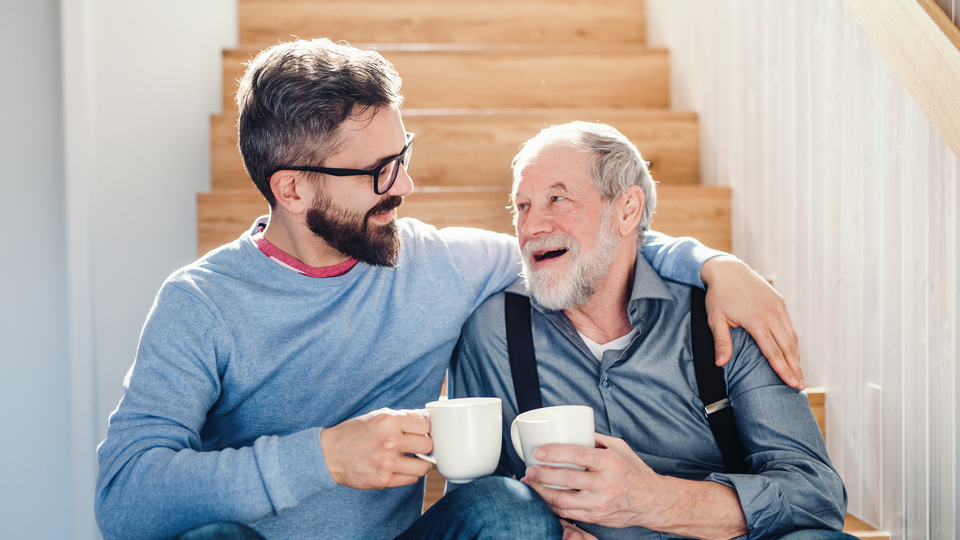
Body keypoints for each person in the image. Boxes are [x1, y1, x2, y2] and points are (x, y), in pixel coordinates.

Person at [95, 39, 804, 540]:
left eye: (402, 156)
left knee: (505, 507)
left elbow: (584, 245)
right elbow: (124, 497)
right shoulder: (202, 302)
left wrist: (712, 263)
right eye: (377, 172)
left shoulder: (437, 264)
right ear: (293, 188)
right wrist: (323, 458)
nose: (405, 186)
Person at [450, 122, 850, 540]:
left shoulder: (721, 316)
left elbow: (816, 497)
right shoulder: (495, 330)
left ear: (626, 210)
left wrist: (656, 499)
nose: (531, 227)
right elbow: (479, 502)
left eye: (557, 199)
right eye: (522, 206)